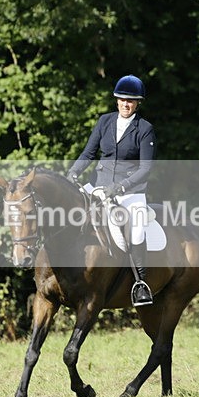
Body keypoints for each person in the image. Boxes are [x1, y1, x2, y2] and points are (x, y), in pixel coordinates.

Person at [67, 74, 156, 305]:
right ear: (116, 100)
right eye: (122, 100)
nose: (126, 104)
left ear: (137, 103)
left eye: (131, 101)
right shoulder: (104, 122)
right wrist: (73, 172)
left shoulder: (144, 129)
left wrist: (121, 186)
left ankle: (140, 284)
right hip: (99, 188)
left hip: (130, 192)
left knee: (136, 229)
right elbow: (88, 153)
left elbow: (146, 168)